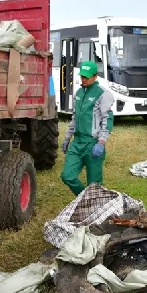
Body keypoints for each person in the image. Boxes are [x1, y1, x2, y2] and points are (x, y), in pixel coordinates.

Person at [60, 60, 115, 195]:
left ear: (95, 76)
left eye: (87, 77)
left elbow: (107, 119)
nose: (83, 79)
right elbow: (74, 117)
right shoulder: (79, 93)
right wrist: (67, 138)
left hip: (93, 143)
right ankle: (85, 198)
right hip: (77, 142)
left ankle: (95, 204)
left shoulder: (102, 94)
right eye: (82, 76)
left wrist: (101, 142)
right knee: (67, 176)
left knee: (94, 185)